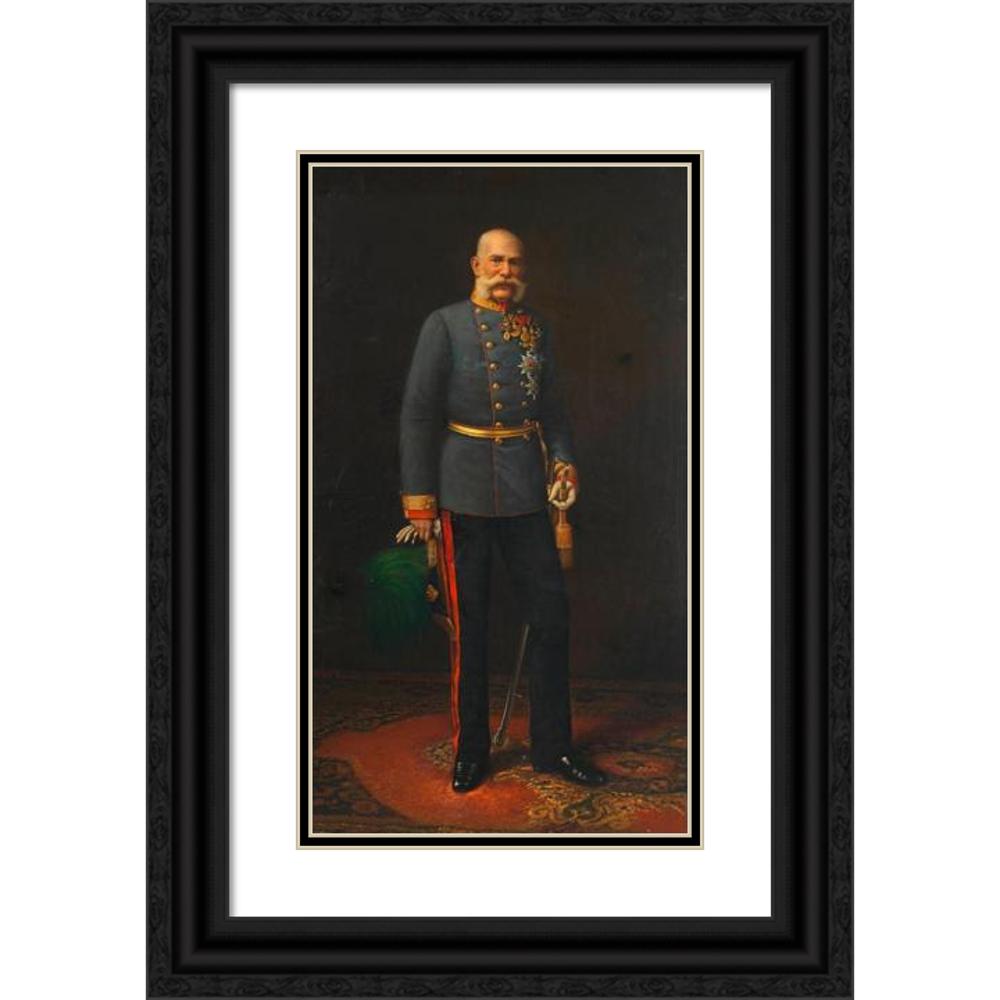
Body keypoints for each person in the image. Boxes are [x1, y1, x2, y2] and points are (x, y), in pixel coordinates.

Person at [399, 228, 607, 793]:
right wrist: (419, 500)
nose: (505, 272)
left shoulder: (536, 328)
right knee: (471, 629)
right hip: (461, 492)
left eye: (514, 263)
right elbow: (417, 414)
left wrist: (563, 463)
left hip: (525, 493)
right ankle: (470, 752)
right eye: (496, 261)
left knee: (551, 619)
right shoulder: (444, 325)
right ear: (476, 264)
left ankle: (553, 748)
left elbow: (554, 411)